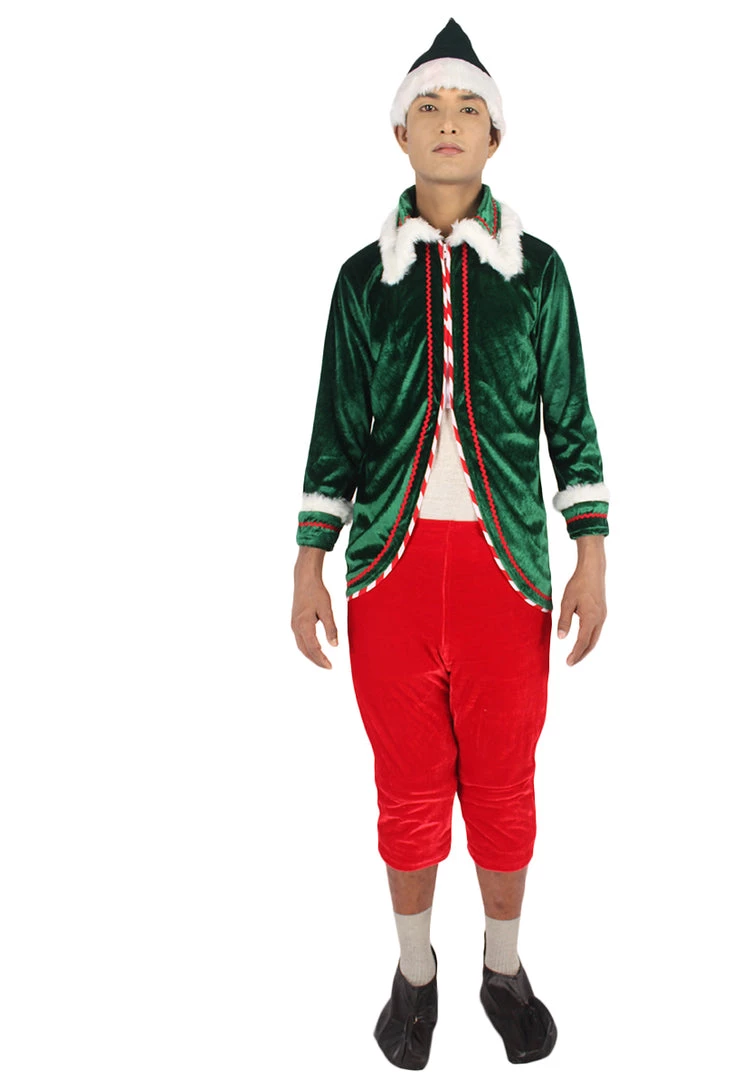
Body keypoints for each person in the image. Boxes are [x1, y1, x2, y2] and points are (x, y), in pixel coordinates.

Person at [290, 18, 610, 1069]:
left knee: (505, 786)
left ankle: (502, 970)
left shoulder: (538, 274)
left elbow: (568, 422)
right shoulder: (361, 281)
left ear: (494, 137)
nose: (446, 123)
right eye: (426, 107)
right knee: (408, 787)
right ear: (398, 133)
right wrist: (307, 565)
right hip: (385, 572)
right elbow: (336, 430)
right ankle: (414, 972)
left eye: (467, 108)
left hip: (505, 573)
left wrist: (591, 552)